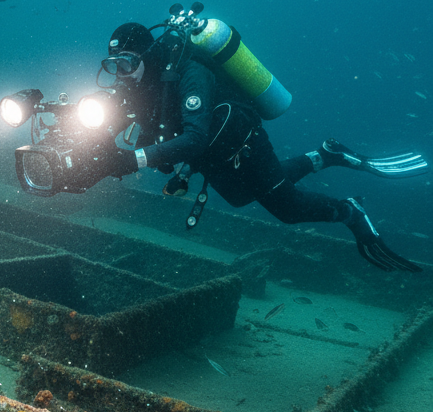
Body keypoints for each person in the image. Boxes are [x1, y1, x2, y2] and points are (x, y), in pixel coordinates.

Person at [84, 18, 426, 273]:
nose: (120, 74)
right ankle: (324, 155)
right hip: (211, 157)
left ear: (149, 55)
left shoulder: (191, 74)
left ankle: (350, 210)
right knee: (240, 197)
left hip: (242, 144)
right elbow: (115, 122)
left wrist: (133, 161)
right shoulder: (141, 84)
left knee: (288, 210)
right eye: (112, 65)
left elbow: (195, 137)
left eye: (127, 63)